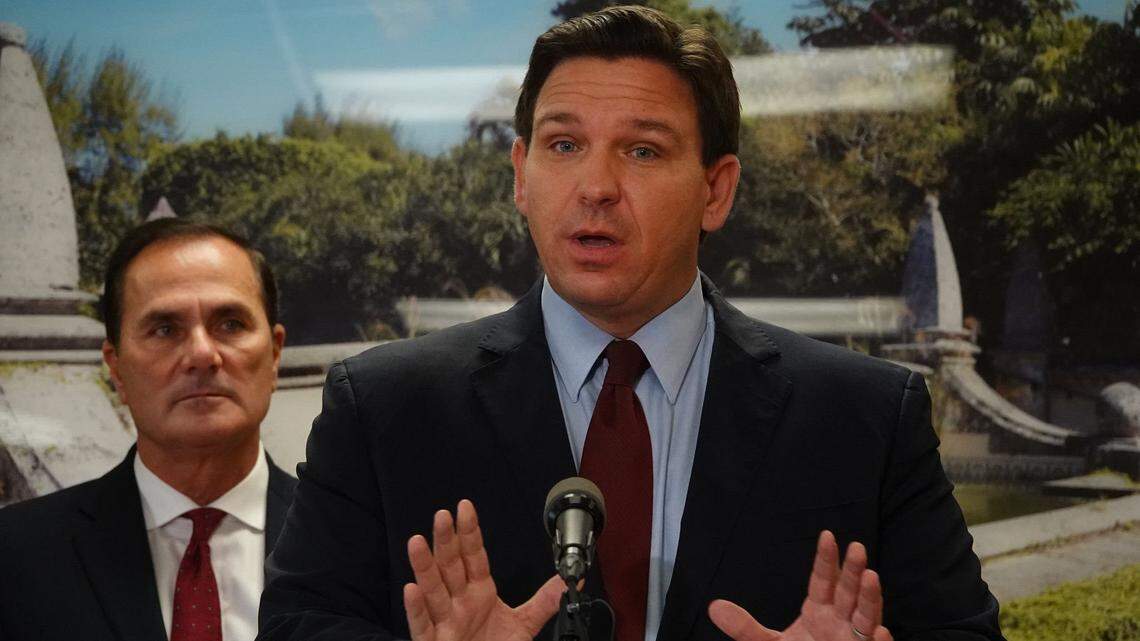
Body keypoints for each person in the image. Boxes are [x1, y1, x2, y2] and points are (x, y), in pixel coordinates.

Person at [257, 6, 1002, 641]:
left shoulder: (866, 418)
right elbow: (296, 623)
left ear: (717, 190)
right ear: (521, 175)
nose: (596, 187)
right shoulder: (384, 407)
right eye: (564, 145)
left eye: (642, 150)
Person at [0, 219, 298, 641]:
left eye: (229, 324)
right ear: (116, 368)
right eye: (165, 329)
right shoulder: (15, 555)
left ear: (274, 354)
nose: (201, 353)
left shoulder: (363, 545)